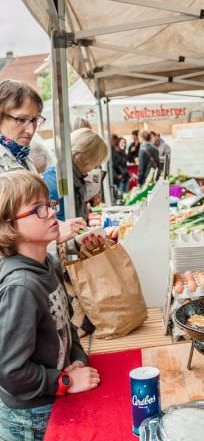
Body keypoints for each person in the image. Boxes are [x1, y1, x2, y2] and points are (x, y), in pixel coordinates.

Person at [0, 170, 100, 441]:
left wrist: (77, 360)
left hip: (52, 396)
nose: (51, 213)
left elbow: (66, 326)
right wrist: (64, 381)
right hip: (30, 417)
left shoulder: (48, 265)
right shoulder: (21, 287)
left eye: (49, 204)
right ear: (8, 226)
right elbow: (11, 372)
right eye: (38, 209)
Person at [0, 79, 86, 240]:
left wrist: (68, 239)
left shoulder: (26, 159)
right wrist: (57, 236)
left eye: (34, 120)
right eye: (21, 119)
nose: (31, 129)